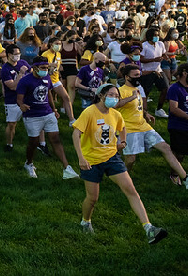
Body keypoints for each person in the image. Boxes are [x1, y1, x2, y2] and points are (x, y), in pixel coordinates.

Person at [72, 84, 168, 244]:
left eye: (117, 96)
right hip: (91, 160)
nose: (114, 98)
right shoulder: (89, 112)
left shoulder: (115, 114)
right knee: (92, 198)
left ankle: (149, 228)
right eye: (111, 95)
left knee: (131, 190)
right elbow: (76, 134)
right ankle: (85, 221)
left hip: (112, 157)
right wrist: (81, 158)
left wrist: (122, 141)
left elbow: (122, 127)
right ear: (101, 95)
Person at [116, 64, 188, 186]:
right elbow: (114, 105)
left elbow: (136, 108)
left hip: (144, 126)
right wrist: (131, 97)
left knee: (166, 148)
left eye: (139, 75)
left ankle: (185, 178)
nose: (139, 78)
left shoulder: (137, 88)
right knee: (131, 159)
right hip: (128, 128)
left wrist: (145, 113)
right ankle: (123, 180)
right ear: (127, 77)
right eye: (136, 76)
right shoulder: (120, 90)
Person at [16, 56, 79, 180]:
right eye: (43, 68)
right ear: (34, 68)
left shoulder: (46, 78)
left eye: (46, 68)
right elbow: (19, 98)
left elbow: (49, 93)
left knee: (55, 139)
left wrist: (54, 109)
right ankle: (29, 163)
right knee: (33, 142)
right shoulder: (25, 81)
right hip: (32, 115)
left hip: (47, 113)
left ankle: (67, 167)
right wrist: (21, 105)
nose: (45, 70)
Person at [0, 44, 30, 151]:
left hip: (27, 98)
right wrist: (21, 74)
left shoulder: (23, 63)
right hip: (12, 100)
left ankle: (41, 143)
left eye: (19, 53)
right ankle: (9, 144)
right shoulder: (5, 69)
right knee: (12, 124)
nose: (18, 56)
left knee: (35, 121)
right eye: (15, 54)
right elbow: (12, 87)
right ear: (9, 55)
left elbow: (32, 73)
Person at [140, 27, 170, 118]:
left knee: (165, 88)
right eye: (155, 35)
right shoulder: (144, 45)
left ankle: (159, 109)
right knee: (146, 91)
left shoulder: (160, 44)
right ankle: (143, 110)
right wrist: (154, 59)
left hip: (158, 70)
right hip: (147, 71)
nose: (156, 37)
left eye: (157, 35)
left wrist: (166, 58)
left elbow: (163, 53)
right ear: (149, 36)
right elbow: (141, 59)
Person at [167, 62, 188, 186]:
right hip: (178, 126)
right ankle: (174, 174)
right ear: (185, 73)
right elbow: (174, 109)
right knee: (179, 153)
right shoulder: (175, 88)